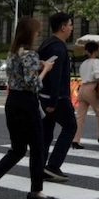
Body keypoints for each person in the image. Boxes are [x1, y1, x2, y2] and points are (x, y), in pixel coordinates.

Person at [0, 16, 55, 199]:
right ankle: (36, 190)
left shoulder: (12, 54)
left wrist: (37, 66)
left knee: (17, 149)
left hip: (12, 102)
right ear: (30, 33)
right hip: (27, 103)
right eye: (36, 30)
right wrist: (45, 69)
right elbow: (33, 84)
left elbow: (20, 73)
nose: (38, 33)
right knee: (37, 148)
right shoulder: (30, 55)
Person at [38, 12, 76, 182]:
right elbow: (56, 76)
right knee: (70, 127)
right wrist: (54, 101)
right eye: (70, 24)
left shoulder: (47, 44)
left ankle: (39, 166)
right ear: (62, 27)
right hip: (57, 98)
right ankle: (53, 166)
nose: (71, 28)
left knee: (46, 132)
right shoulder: (59, 47)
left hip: (42, 95)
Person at [71, 42, 99, 149]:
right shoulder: (97, 62)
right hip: (92, 88)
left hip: (82, 88)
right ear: (95, 51)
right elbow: (97, 76)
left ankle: (75, 139)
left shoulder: (84, 63)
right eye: (98, 50)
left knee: (80, 116)